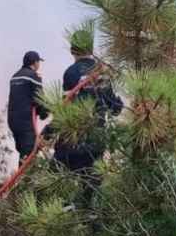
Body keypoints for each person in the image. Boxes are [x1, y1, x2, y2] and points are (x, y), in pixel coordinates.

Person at [52, 31, 123, 209]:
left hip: (72, 141)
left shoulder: (70, 73)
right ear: (91, 48)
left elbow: (65, 108)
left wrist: (48, 132)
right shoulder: (102, 72)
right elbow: (114, 108)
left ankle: (59, 211)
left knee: (55, 177)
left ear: (72, 50)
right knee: (90, 186)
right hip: (96, 141)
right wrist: (118, 104)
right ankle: (87, 215)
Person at [7, 51, 49, 163]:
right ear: (35, 63)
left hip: (12, 122)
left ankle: (21, 178)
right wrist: (45, 113)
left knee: (23, 152)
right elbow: (40, 99)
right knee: (29, 155)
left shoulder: (14, 77)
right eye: (39, 62)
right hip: (26, 123)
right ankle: (25, 180)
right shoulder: (33, 76)